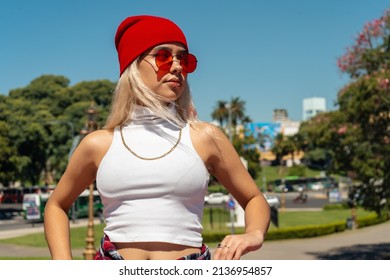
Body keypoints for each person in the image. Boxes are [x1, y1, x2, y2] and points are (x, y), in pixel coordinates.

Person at [44, 15, 270, 260]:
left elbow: (254, 198)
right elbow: (56, 205)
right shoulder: (98, 143)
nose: (176, 66)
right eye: (162, 56)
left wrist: (254, 233)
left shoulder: (205, 137)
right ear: (133, 66)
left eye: (184, 59)